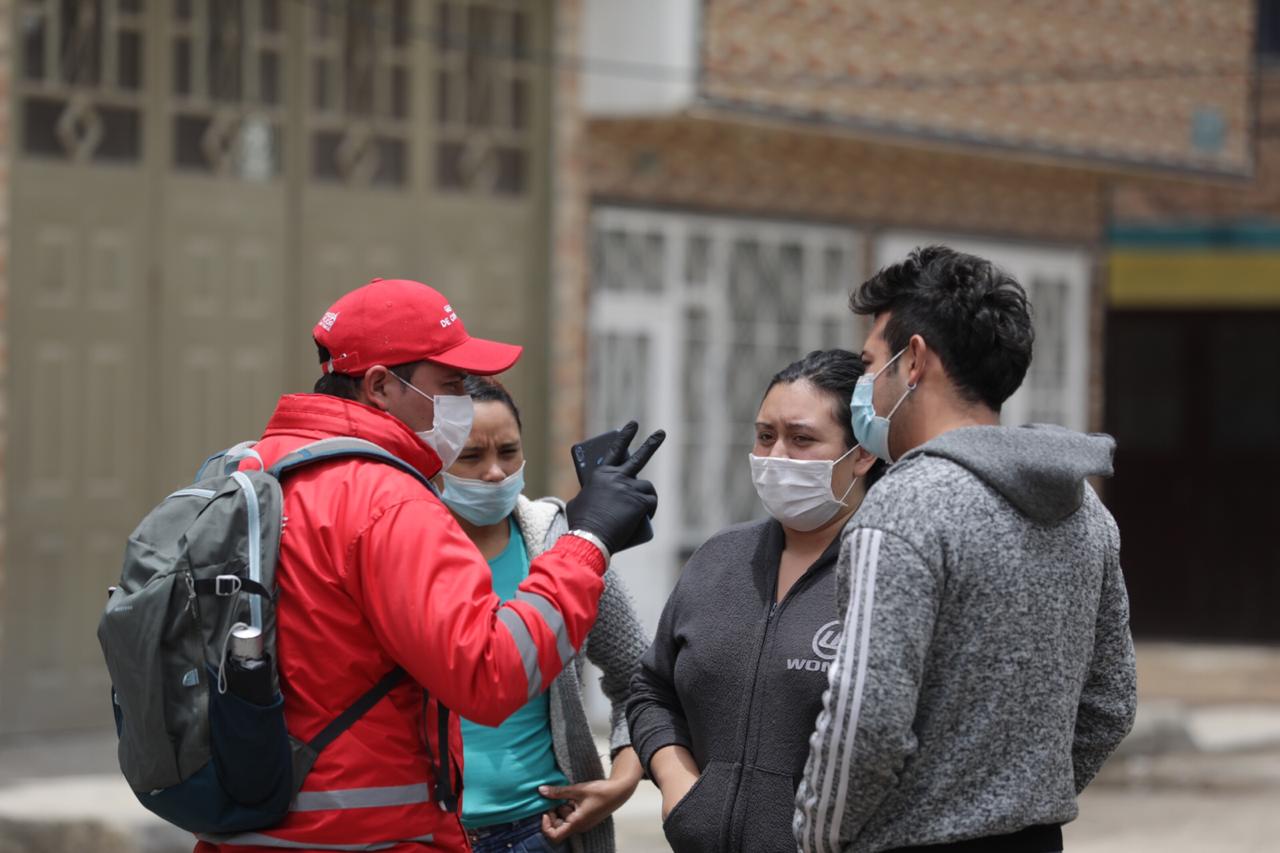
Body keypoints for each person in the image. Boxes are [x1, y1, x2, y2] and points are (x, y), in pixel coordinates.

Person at [195, 278, 664, 853]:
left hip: (256, 823)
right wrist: (588, 540)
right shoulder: (387, 499)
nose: (462, 407)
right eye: (450, 386)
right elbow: (490, 674)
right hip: (367, 834)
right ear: (380, 386)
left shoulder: (256, 471)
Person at [794, 246, 1137, 853]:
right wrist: (1019, 801)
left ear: (916, 360)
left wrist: (818, 840)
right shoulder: (1088, 511)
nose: (863, 385)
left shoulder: (902, 507)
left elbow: (864, 726)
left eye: (872, 363)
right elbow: (1110, 704)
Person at [627, 350, 883, 853]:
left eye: (801, 438)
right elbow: (651, 689)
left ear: (863, 454)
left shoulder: (888, 574)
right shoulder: (720, 558)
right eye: (765, 436)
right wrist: (679, 788)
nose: (775, 456)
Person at [438, 376, 649, 853]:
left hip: (540, 831)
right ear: (433, 459)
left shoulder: (559, 542)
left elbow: (639, 674)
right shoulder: (405, 549)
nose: (495, 472)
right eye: (471, 457)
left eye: (508, 452)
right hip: (425, 835)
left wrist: (623, 778)